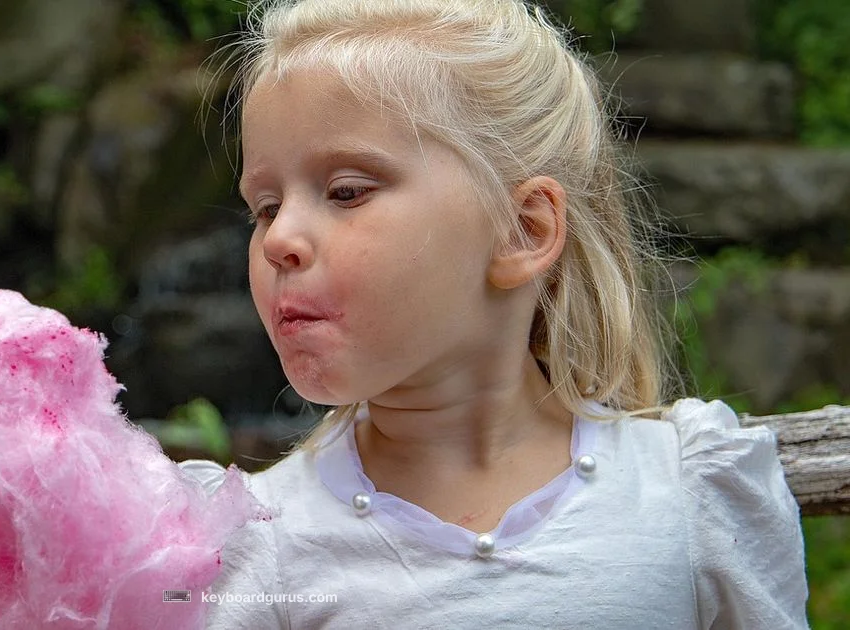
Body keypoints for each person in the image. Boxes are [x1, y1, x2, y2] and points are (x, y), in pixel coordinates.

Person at [178, 0, 809, 627]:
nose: (278, 239)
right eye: (263, 207)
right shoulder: (259, 546)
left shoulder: (689, 496)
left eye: (347, 191)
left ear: (521, 231)